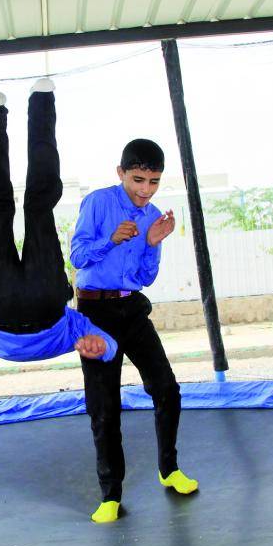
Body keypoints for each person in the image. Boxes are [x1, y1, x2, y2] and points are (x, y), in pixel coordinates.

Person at [0, 79, 117, 364]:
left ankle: (6, 109)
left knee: (10, 212)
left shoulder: (60, 337)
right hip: (36, 299)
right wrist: (103, 348)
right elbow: (110, 345)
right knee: (20, 211)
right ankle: (33, 103)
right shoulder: (74, 336)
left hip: (14, 297)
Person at [71, 138, 197, 524]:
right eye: (138, 179)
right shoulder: (98, 203)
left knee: (167, 389)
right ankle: (110, 494)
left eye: (154, 181)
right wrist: (111, 240)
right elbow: (77, 256)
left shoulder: (153, 216)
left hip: (132, 308)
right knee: (104, 405)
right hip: (95, 312)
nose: (146, 190)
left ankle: (168, 469)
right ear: (121, 173)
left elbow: (144, 277)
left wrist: (153, 243)